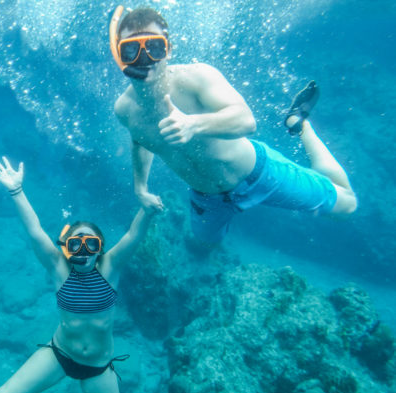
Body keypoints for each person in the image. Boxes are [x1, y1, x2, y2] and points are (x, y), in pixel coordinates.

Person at [109, 6, 357, 245]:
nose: (145, 59)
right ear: (120, 55)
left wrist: (193, 124)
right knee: (206, 241)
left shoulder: (196, 78)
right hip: (207, 198)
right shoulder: (125, 110)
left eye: (154, 47)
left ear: (169, 50)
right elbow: (141, 141)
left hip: (259, 175)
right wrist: (140, 189)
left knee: (347, 205)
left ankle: (300, 125)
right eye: (131, 49)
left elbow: (247, 121)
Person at [0, 157, 156, 393]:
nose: (84, 251)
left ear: (100, 249)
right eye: (76, 244)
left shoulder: (110, 265)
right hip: (58, 354)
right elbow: (35, 232)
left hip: (97, 367)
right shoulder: (58, 266)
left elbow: (132, 236)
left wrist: (146, 212)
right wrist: (16, 190)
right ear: (66, 248)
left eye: (91, 244)